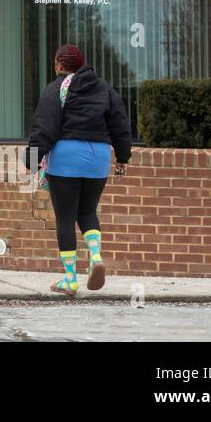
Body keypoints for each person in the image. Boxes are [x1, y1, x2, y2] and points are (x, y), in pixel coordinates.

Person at [27, 44, 131, 296]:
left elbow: (45, 127)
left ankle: (70, 279)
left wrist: (31, 159)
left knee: (65, 217)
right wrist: (123, 157)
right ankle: (95, 256)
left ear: (60, 65)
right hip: (98, 157)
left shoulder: (56, 89)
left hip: (66, 156)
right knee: (87, 211)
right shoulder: (105, 89)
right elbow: (120, 124)